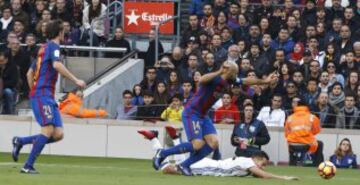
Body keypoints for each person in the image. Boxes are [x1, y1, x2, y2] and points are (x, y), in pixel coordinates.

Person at [153, 61, 278, 176]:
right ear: (227, 71)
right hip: (192, 112)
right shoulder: (215, 78)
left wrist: (265, 81)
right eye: (234, 72)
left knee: (213, 143)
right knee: (197, 144)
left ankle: (184, 165)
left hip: (203, 114)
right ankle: (162, 153)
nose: (236, 75)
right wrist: (219, 71)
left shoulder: (230, 80)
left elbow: (246, 80)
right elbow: (201, 79)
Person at [11, 20, 86, 174]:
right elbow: (57, 65)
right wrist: (76, 80)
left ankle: (21, 141)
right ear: (59, 32)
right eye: (64, 30)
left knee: (58, 134)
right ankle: (27, 166)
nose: (65, 32)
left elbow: (29, 73)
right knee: (48, 130)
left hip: (45, 95)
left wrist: (35, 91)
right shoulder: (53, 46)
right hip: (43, 95)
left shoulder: (43, 49)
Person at [139, 129, 298, 180]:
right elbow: (262, 175)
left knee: (182, 162)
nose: (262, 167)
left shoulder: (246, 163)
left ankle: (170, 139)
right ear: (258, 158)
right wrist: (283, 178)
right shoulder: (248, 162)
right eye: (263, 163)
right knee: (165, 169)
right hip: (207, 168)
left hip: (208, 164)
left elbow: (257, 174)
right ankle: (159, 140)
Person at [284, 99, 324, 166]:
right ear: (306, 107)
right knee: (320, 144)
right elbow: (316, 131)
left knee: (290, 144)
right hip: (306, 143)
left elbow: (286, 134)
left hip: (292, 144)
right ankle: (318, 165)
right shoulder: (312, 117)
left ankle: (292, 164)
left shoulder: (290, 118)